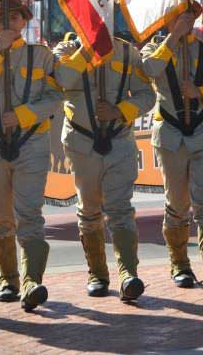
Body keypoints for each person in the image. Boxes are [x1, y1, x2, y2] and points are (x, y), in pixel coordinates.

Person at [0, 0, 62, 311]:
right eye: (2, 19)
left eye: (16, 17)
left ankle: (33, 280)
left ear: (24, 21)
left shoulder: (41, 55)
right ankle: (9, 279)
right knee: (0, 218)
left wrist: (24, 114)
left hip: (31, 143)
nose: (10, 23)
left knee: (29, 215)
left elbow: (55, 98)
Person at [140, 0, 203, 295]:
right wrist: (172, 39)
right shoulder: (154, 49)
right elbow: (149, 69)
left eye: (187, 17)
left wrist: (202, 92)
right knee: (177, 205)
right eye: (176, 17)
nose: (182, 22)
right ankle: (180, 265)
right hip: (171, 135)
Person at [51, 30, 155, 301]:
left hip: (118, 139)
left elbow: (147, 96)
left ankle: (128, 274)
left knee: (120, 207)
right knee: (90, 209)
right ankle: (97, 274)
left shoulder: (126, 52)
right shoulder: (65, 51)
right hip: (82, 142)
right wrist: (86, 49)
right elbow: (60, 81)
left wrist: (121, 110)